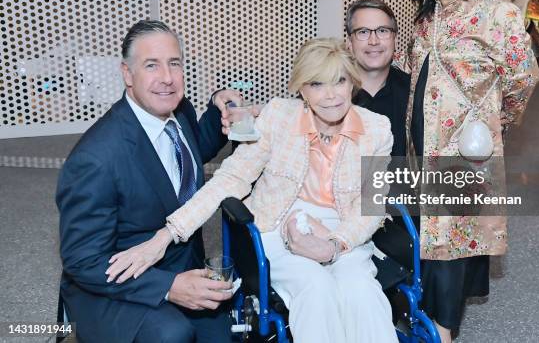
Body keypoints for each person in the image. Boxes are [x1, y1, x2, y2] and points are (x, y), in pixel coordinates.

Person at [105, 38, 399, 343]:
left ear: (352, 82)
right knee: (315, 287)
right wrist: (167, 234)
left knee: (361, 291)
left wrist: (335, 245)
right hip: (278, 224)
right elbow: (231, 178)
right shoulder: (279, 116)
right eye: (316, 84)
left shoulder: (376, 128)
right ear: (302, 90)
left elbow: (371, 205)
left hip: (344, 230)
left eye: (339, 81)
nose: (331, 95)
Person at [56, 20, 242, 343]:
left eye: (174, 63)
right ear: (127, 74)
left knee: (227, 334)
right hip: (118, 285)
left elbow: (191, 151)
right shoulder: (95, 158)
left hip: (181, 264)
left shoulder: (179, 110)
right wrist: (169, 288)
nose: (167, 79)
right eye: (151, 65)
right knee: (173, 334)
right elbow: (82, 260)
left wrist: (216, 104)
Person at [403, 0, 539, 342]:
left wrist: (501, 119)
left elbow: (523, 77)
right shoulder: (426, 19)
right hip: (421, 146)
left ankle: (442, 332)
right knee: (436, 236)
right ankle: (432, 319)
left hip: (465, 150)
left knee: (449, 241)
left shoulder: (497, 12)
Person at [346, 0, 416, 268]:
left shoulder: (415, 93)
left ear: (395, 38)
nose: (373, 41)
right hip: (337, 207)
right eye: (363, 32)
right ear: (350, 41)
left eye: (382, 31)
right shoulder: (329, 92)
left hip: (399, 210)